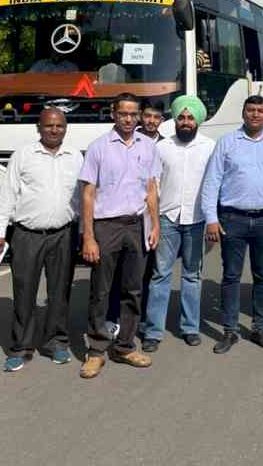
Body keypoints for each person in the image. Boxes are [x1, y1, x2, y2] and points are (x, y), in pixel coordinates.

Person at [202, 95, 263, 353]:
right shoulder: (227, 143)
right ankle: (230, 331)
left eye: (260, 110)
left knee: (262, 276)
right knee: (231, 276)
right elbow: (212, 182)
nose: (255, 114)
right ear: (243, 113)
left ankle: (259, 328)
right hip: (233, 219)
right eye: (251, 110)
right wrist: (211, 218)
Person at [0, 109, 82, 372]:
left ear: (65, 129)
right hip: (27, 236)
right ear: (39, 128)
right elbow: (7, 195)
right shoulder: (23, 155)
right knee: (24, 292)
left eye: (60, 126)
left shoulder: (75, 157)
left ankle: (56, 343)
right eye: (49, 126)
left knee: (59, 292)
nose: (54, 130)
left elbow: (82, 196)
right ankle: (21, 348)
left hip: (63, 234)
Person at [79, 93, 161, 379]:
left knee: (133, 289)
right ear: (113, 113)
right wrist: (88, 237)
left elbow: (151, 189)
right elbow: (88, 194)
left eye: (133, 114)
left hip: (137, 225)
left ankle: (125, 345)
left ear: (139, 116)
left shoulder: (149, 146)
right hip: (106, 227)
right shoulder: (98, 148)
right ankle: (97, 350)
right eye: (123, 113)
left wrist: (155, 226)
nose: (128, 119)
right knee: (100, 291)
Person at [142, 96, 215, 352]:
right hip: (167, 219)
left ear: (198, 120)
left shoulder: (209, 147)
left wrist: (212, 221)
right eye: (181, 117)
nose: (185, 122)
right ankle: (153, 331)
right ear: (175, 120)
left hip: (197, 221)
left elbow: (214, 185)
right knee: (160, 275)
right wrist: (154, 222)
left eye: (190, 118)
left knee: (192, 276)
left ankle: (190, 327)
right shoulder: (162, 148)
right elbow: (153, 187)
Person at [105, 97, 166, 338]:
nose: (151, 121)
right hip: (121, 217)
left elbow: (158, 186)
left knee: (146, 273)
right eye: (147, 116)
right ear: (141, 116)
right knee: (117, 273)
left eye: (156, 117)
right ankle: (112, 317)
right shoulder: (123, 141)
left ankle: (139, 320)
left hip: (151, 217)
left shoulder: (166, 145)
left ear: (162, 120)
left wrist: (157, 222)